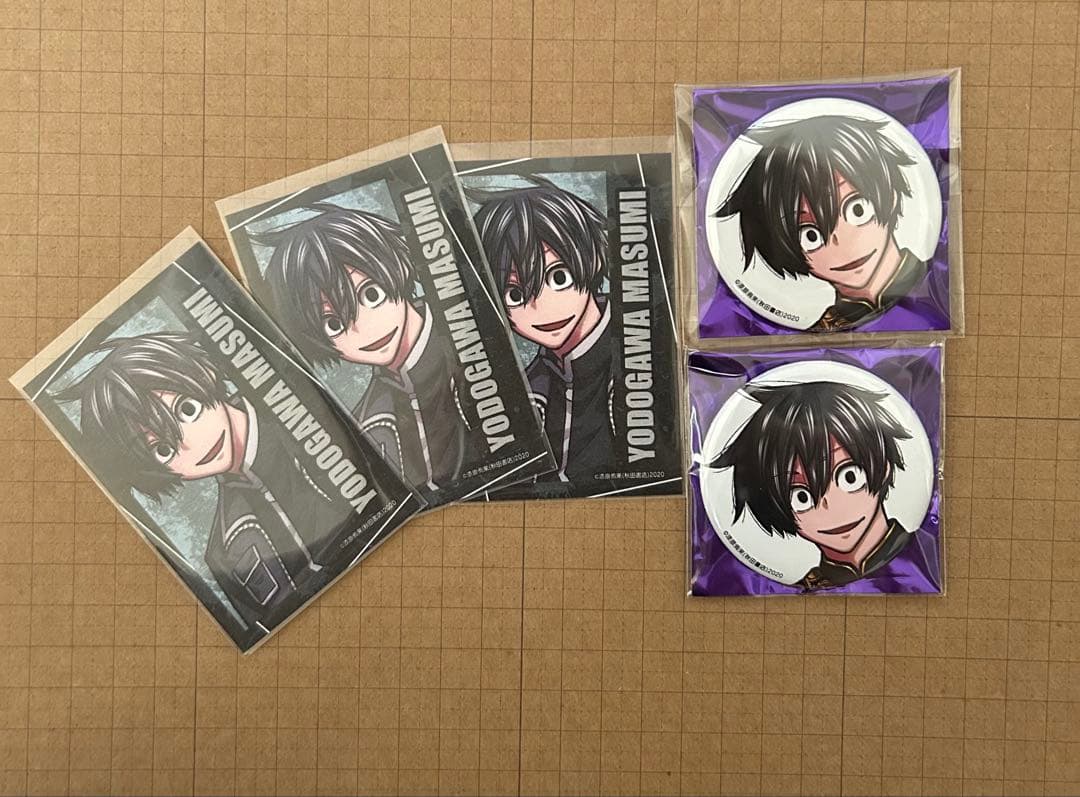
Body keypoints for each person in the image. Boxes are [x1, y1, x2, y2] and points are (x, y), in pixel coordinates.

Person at [57, 333, 343, 627]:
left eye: (187, 409)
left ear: (205, 372)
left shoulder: (308, 423)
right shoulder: (224, 553)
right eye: (163, 450)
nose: (193, 445)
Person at [253, 203, 467, 493]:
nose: (363, 329)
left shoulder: (469, 348)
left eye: (371, 294)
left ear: (396, 266)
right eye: (333, 323)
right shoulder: (369, 423)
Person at [717, 115, 927, 330]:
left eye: (857, 210)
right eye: (811, 235)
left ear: (891, 195)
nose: (842, 245)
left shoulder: (934, 288)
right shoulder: (820, 328)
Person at [469, 177, 614, 483]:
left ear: (593, 258)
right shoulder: (531, 386)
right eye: (515, 294)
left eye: (558, 277)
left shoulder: (635, 360)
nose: (541, 308)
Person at [710, 381, 913, 590]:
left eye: (849, 477)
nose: (831, 509)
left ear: (884, 466)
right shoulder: (802, 588)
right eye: (801, 496)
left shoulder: (919, 558)